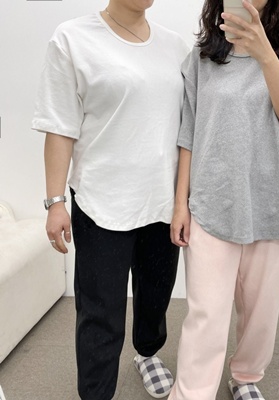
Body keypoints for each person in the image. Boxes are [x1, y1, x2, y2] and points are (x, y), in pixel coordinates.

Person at [168, 0, 279, 399]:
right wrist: (180, 203)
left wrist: (264, 53)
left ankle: (245, 377)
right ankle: (192, 392)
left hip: (274, 201)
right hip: (211, 202)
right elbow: (188, 132)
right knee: (206, 314)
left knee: (261, 311)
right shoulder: (203, 57)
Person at [32, 0, 188, 399]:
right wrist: (55, 202)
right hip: (101, 201)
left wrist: (184, 198)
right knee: (100, 311)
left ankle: (147, 353)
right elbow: (59, 125)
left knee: (156, 293)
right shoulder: (73, 39)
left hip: (161, 199)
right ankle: (96, 392)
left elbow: (187, 127)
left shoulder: (176, 47)